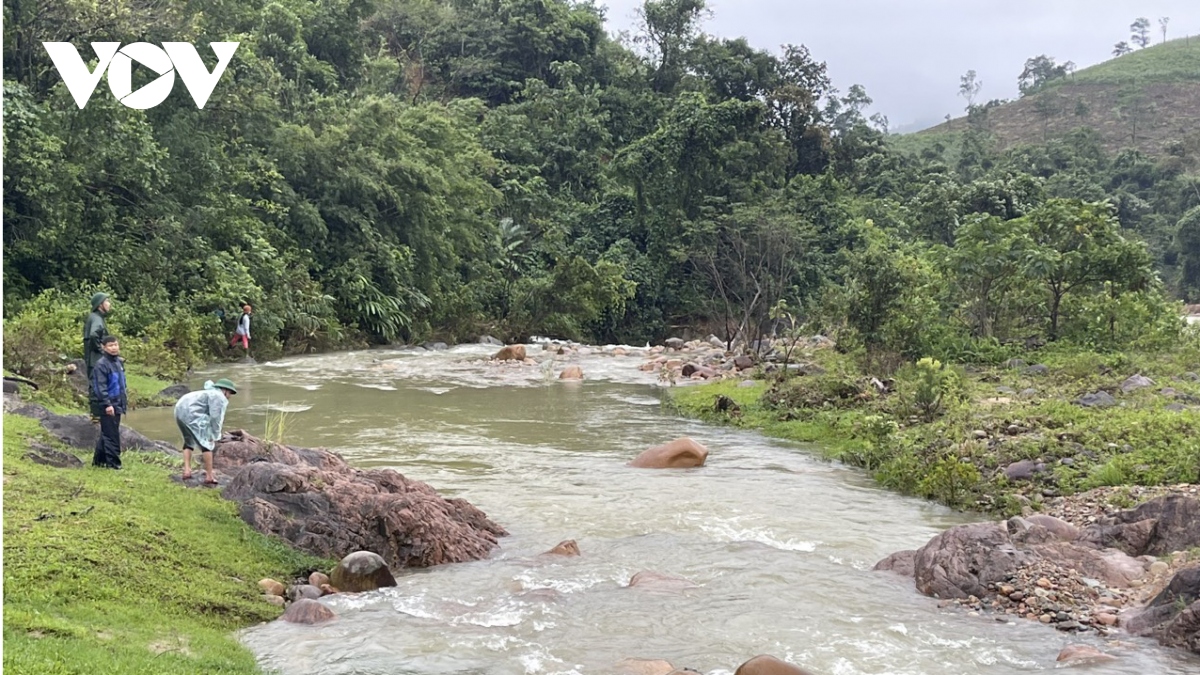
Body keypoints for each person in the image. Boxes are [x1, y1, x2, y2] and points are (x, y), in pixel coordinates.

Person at [175, 378, 238, 484]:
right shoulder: (219, 397)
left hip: (179, 410)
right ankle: (209, 476)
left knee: (188, 441)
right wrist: (215, 435)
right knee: (207, 444)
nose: (230, 396)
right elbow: (216, 417)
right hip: (192, 414)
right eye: (230, 393)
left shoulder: (209, 392)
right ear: (225, 390)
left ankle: (187, 470)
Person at [89, 335, 127, 470]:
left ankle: (98, 461)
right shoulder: (101, 365)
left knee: (108, 432)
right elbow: (100, 387)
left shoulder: (118, 362)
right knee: (112, 436)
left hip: (118, 402)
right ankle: (114, 464)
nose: (114, 348)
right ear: (104, 348)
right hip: (109, 404)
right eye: (110, 345)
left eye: (115, 345)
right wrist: (107, 404)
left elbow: (121, 384)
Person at [83, 292, 112, 378]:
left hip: (93, 361)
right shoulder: (97, 318)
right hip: (96, 360)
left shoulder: (95, 317)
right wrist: (102, 350)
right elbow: (93, 335)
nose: (109, 304)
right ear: (100, 305)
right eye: (107, 301)